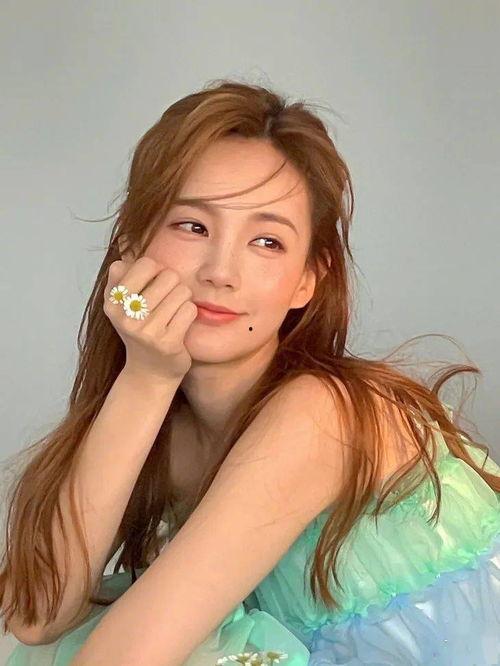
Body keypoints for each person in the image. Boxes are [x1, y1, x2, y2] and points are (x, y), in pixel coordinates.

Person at [1, 79, 500, 666]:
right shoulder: (175, 437)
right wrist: (146, 376)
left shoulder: (323, 414)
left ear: (307, 280)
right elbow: (37, 617)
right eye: (193, 227)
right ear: (132, 247)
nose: (221, 271)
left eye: (266, 242)